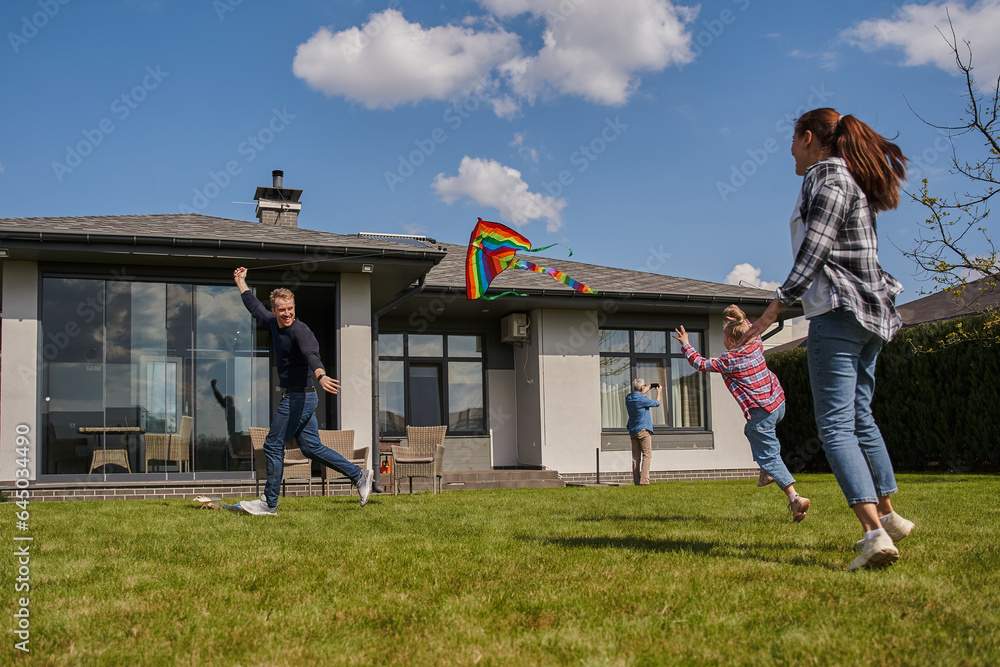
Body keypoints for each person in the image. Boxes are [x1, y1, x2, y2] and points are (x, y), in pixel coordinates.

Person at [736, 108, 914, 570]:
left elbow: (814, 250)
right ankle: (890, 516)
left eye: (793, 141)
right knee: (859, 416)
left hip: (839, 314)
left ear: (809, 137)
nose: (790, 152)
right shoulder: (850, 179)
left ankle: (874, 534)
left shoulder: (826, 178)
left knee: (835, 427)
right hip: (869, 316)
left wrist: (770, 312)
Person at [233, 267, 372, 515]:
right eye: (282, 310)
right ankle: (359, 474)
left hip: (300, 396)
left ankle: (269, 503)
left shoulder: (301, 330)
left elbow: (312, 354)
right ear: (274, 310)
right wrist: (241, 282)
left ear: (294, 307)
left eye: (290, 309)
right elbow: (254, 307)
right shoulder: (272, 323)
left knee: (273, 445)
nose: (287, 314)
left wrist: (321, 375)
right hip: (301, 396)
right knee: (311, 448)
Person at [674, 306, 810, 521]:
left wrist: (685, 344)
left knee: (768, 452)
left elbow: (700, 363)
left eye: (725, 338)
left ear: (730, 341)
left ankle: (795, 499)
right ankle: (766, 473)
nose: (724, 342)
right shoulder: (756, 345)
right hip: (778, 404)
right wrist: (742, 317)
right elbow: (754, 331)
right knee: (753, 434)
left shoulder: (730, 360)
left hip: (761, 413)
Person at [625, 378, 662, 486]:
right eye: (644, 386)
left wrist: (650, 386)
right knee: (647, 455)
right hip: (643, 430)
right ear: (641, 387)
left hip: (633, 430)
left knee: (635, 457)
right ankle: (644, 481)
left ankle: (637, 481)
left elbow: (639, 393)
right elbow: (657, 403)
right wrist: (659, 392)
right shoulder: (642, 400)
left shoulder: (629, 398)